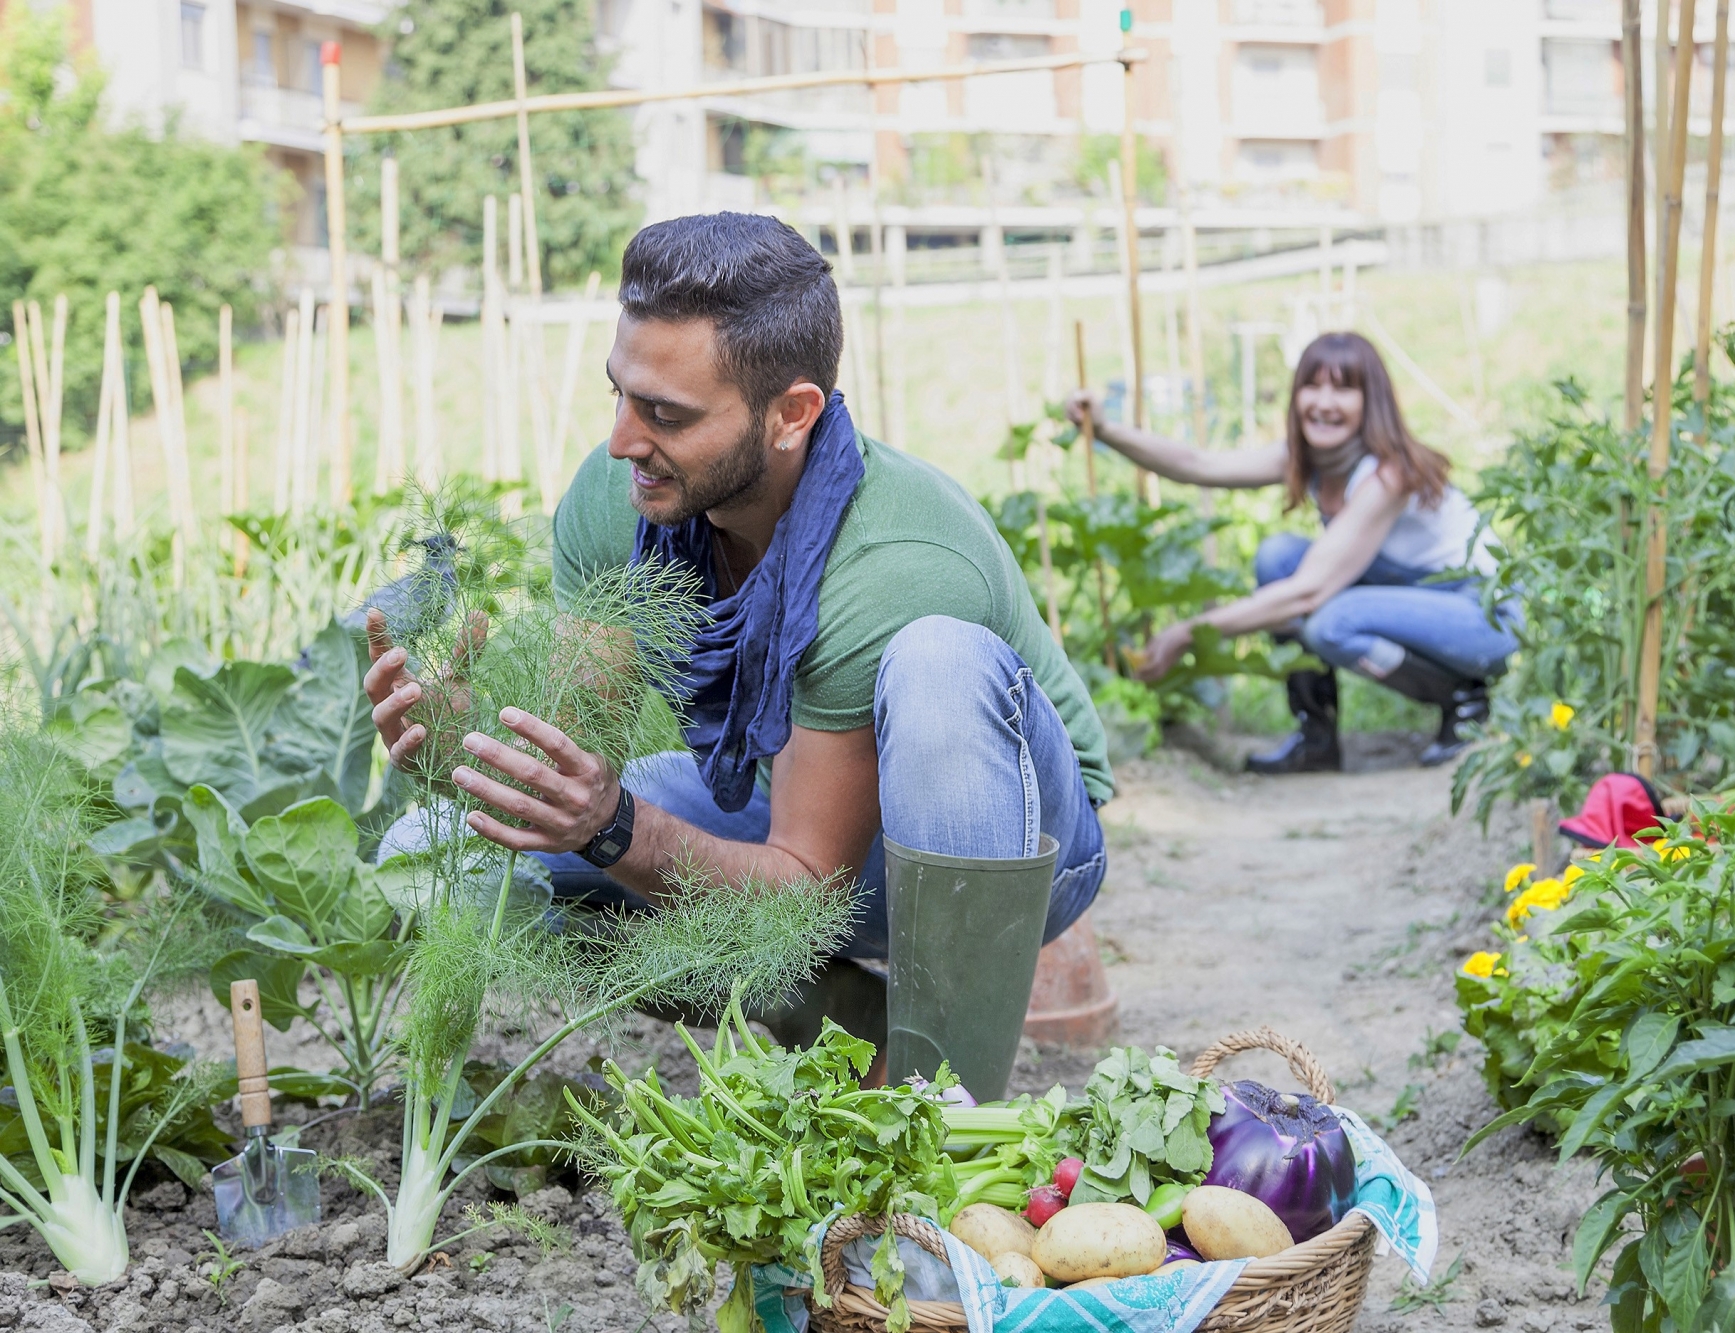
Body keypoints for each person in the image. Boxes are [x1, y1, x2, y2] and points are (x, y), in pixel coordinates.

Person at [363, 213, 1111, 1077]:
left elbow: (805, 885)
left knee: (940, 661)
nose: (622, 442)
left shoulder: (899, 557)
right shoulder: (621, 498)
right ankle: (828, 1009)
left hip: (1006, 842)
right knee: (421, 850)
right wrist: (466, 756)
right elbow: (577, 771)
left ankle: (941, 1113)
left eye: (666, 415)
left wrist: (614, 830)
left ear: (792, 413)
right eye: (620, 395)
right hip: (788, 807)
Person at [1066, 331, 1515, 772]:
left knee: (1331, 623)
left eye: (1343, 389)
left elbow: (1307, 594)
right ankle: (1315, 737)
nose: (1323, 402)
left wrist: (1187, 632)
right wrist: (1105, 429)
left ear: (1370, 401)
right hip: (1417, 596)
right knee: (1279, 556)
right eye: (1312, 385)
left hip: (1483, 614)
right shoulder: (1312, 459)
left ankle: (1464, 698)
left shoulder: (1388, 475)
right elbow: (1198, 466)